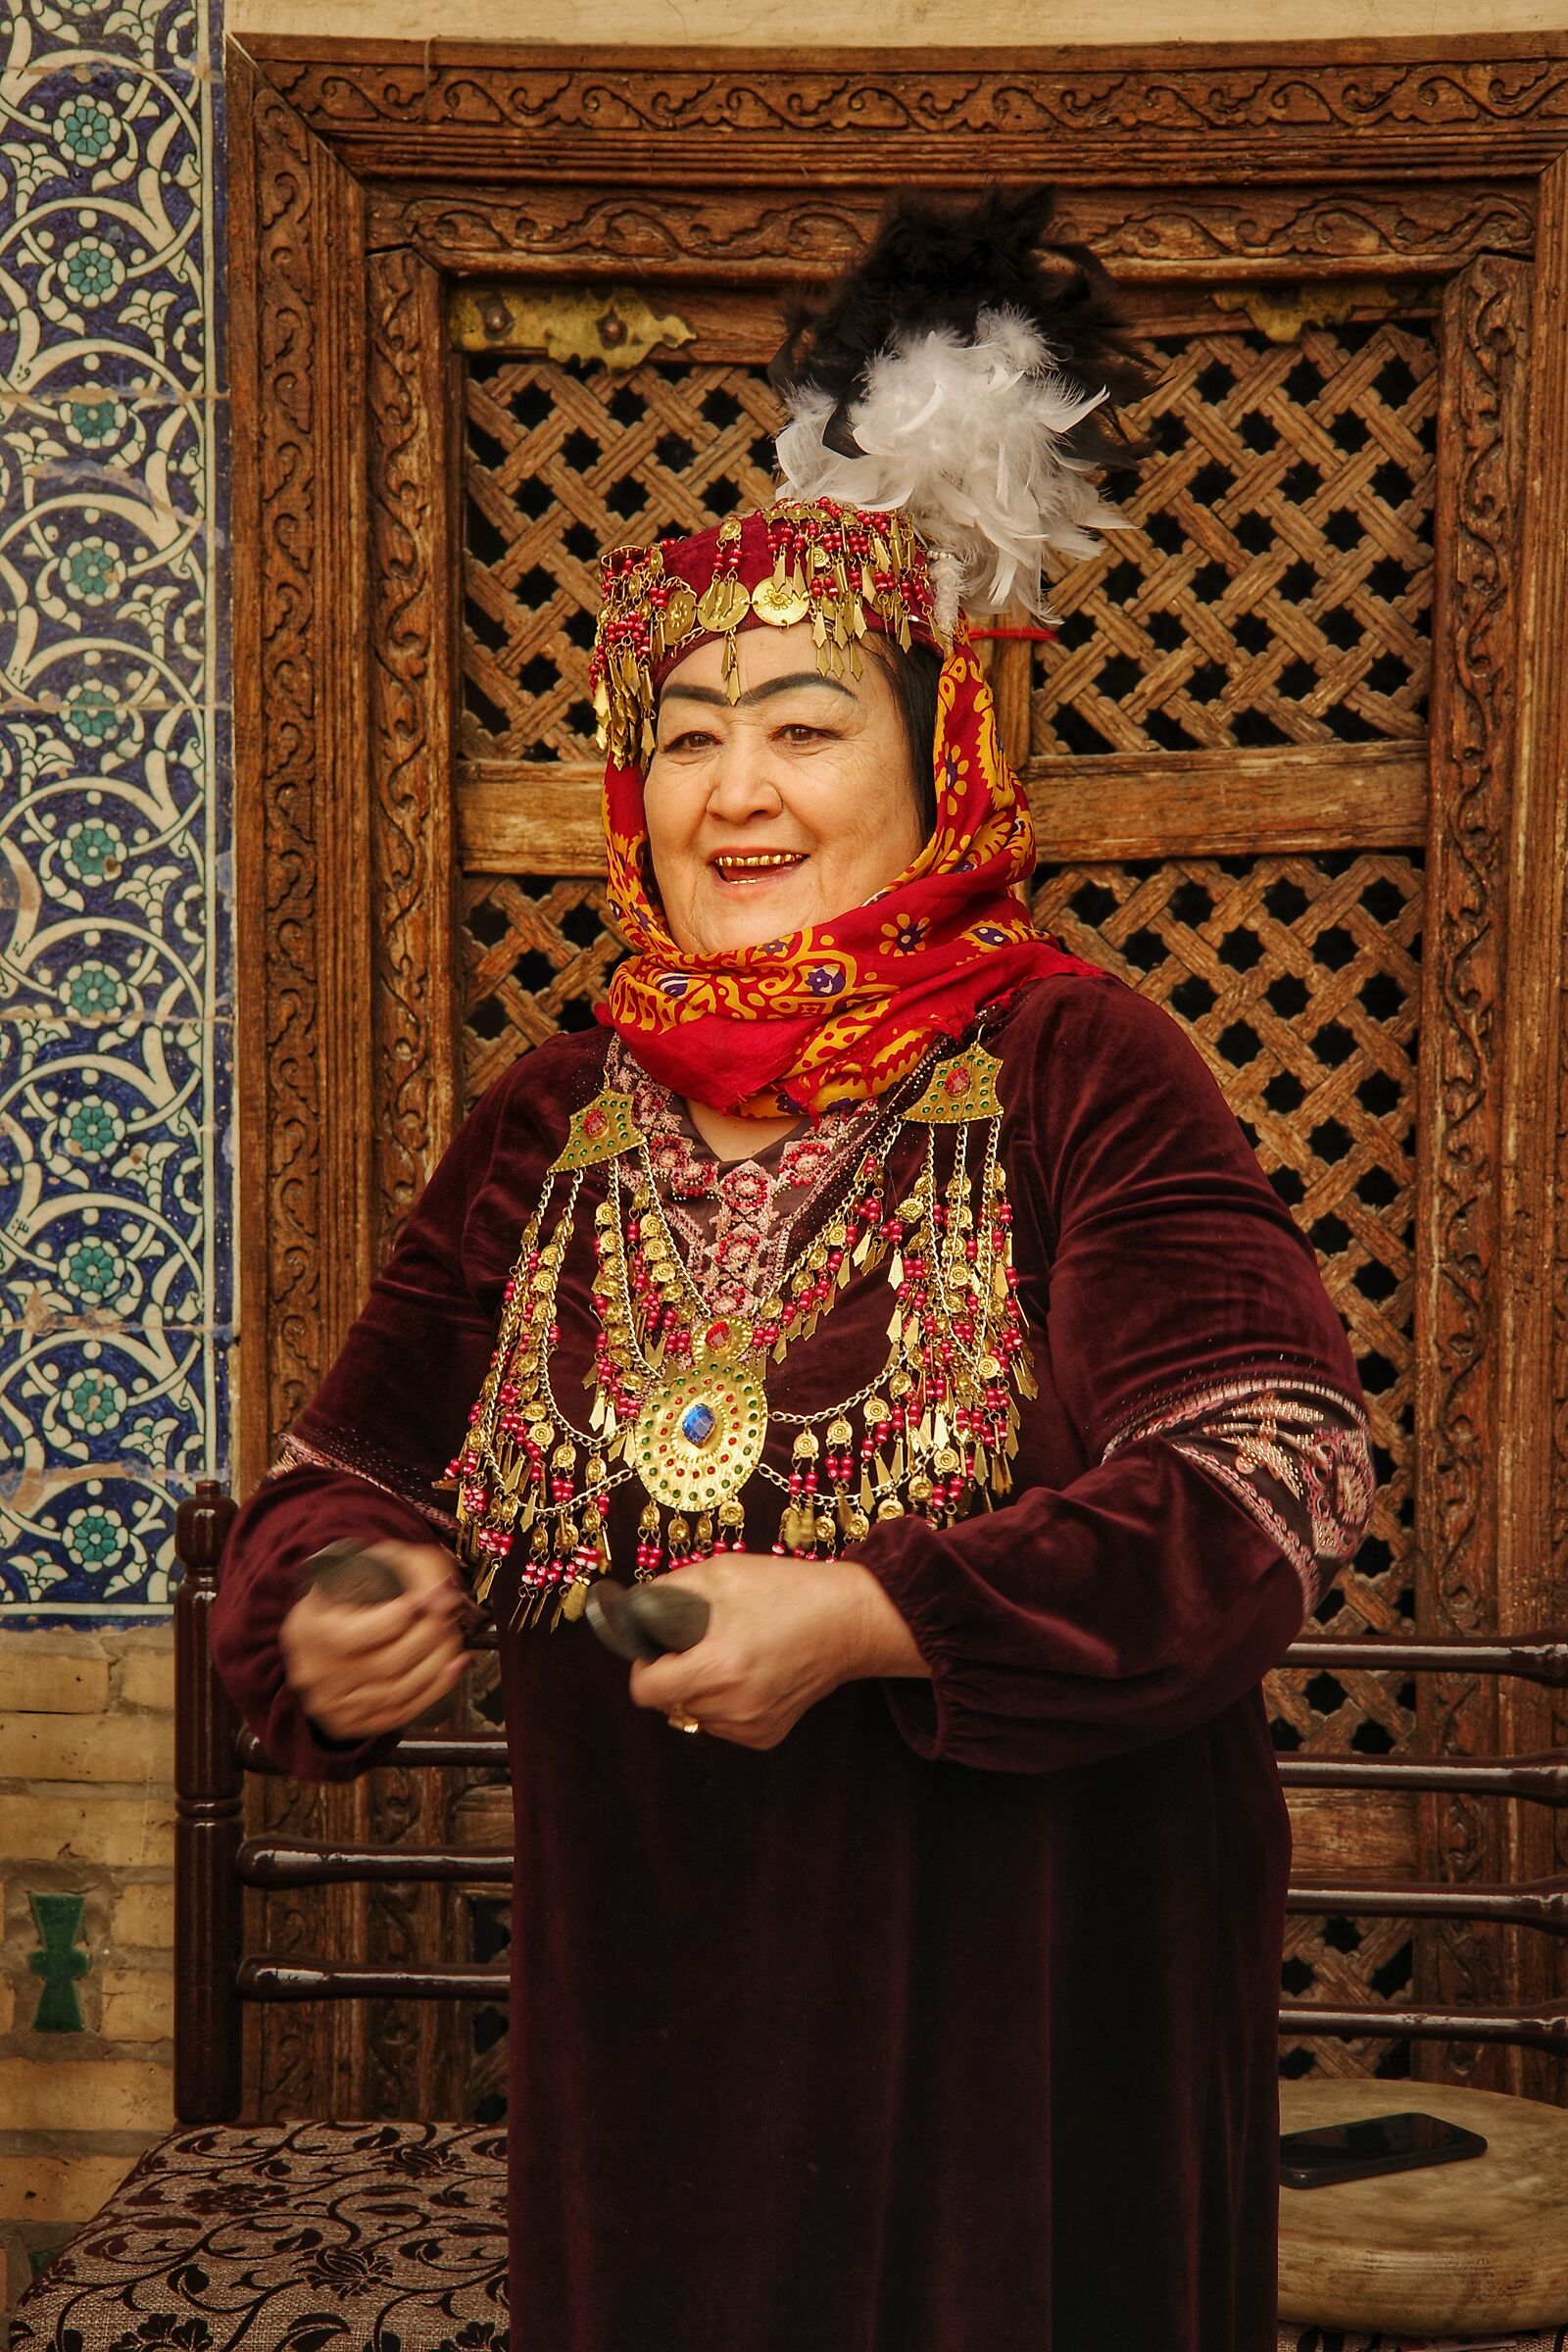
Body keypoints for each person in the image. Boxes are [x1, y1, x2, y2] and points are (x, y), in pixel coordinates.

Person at [211, 188, 1374, 2351]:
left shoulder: (1071, 1059)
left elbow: (1267, 1473)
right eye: (684, 729)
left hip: (1031, 2021)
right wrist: (338, 1601)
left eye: (804, 723)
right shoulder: (553, 1111)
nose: (730, 787)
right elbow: (345, 1466)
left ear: (940, 762)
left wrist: (869, 1618)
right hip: (655, 2020)